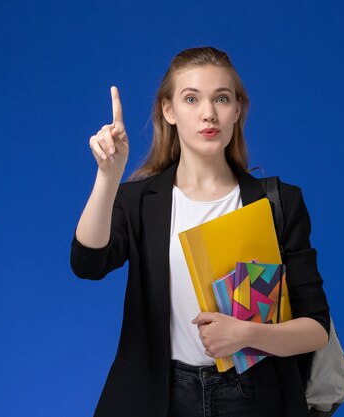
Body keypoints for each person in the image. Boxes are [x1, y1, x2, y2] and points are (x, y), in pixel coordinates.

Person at [70, 46, 330, 417]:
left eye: (221, 99)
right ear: (168, 110)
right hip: (160, 395)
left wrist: (248, 335)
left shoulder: (278, 203)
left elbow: (316, 328)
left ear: (238, 109)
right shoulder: (140, 201)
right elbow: (88, 263)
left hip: (255, 396)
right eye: (191, 99)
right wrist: (108, 177)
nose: (208, 113)